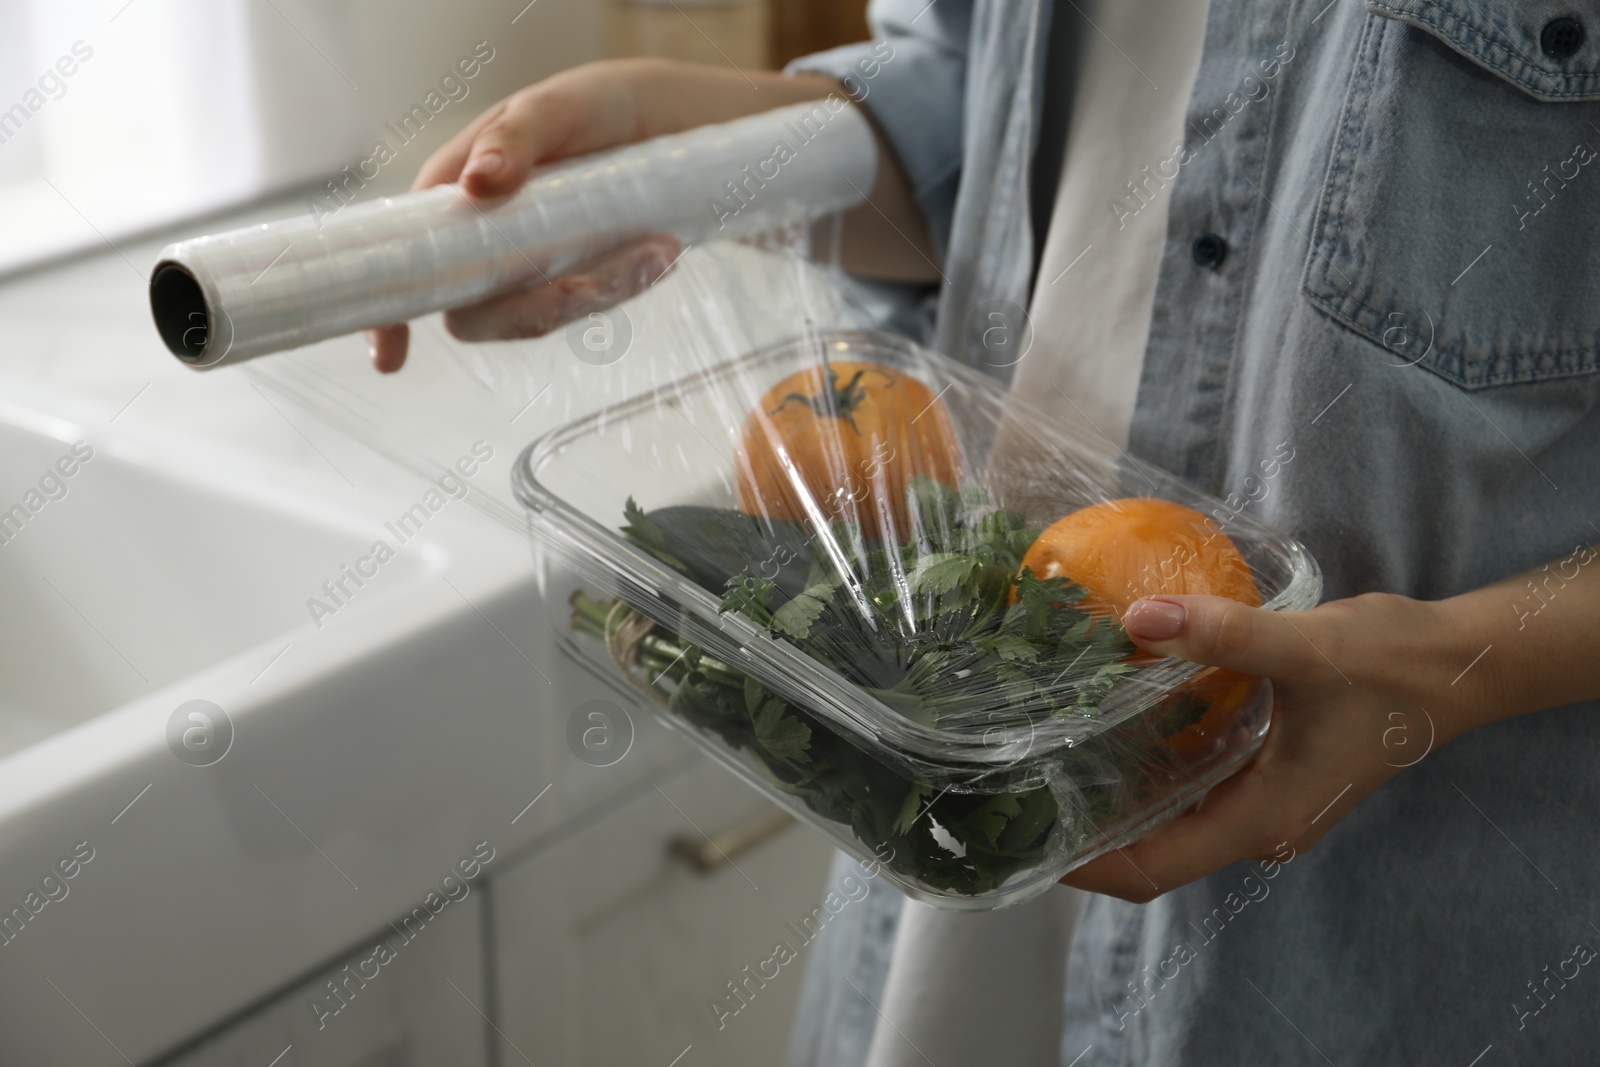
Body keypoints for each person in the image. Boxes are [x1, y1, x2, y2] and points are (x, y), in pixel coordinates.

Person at [369, 0, 1600, 1062]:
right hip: (962, 777)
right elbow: (970, 127)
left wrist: (1450, 668)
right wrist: (655, 134)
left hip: (1384, 921)